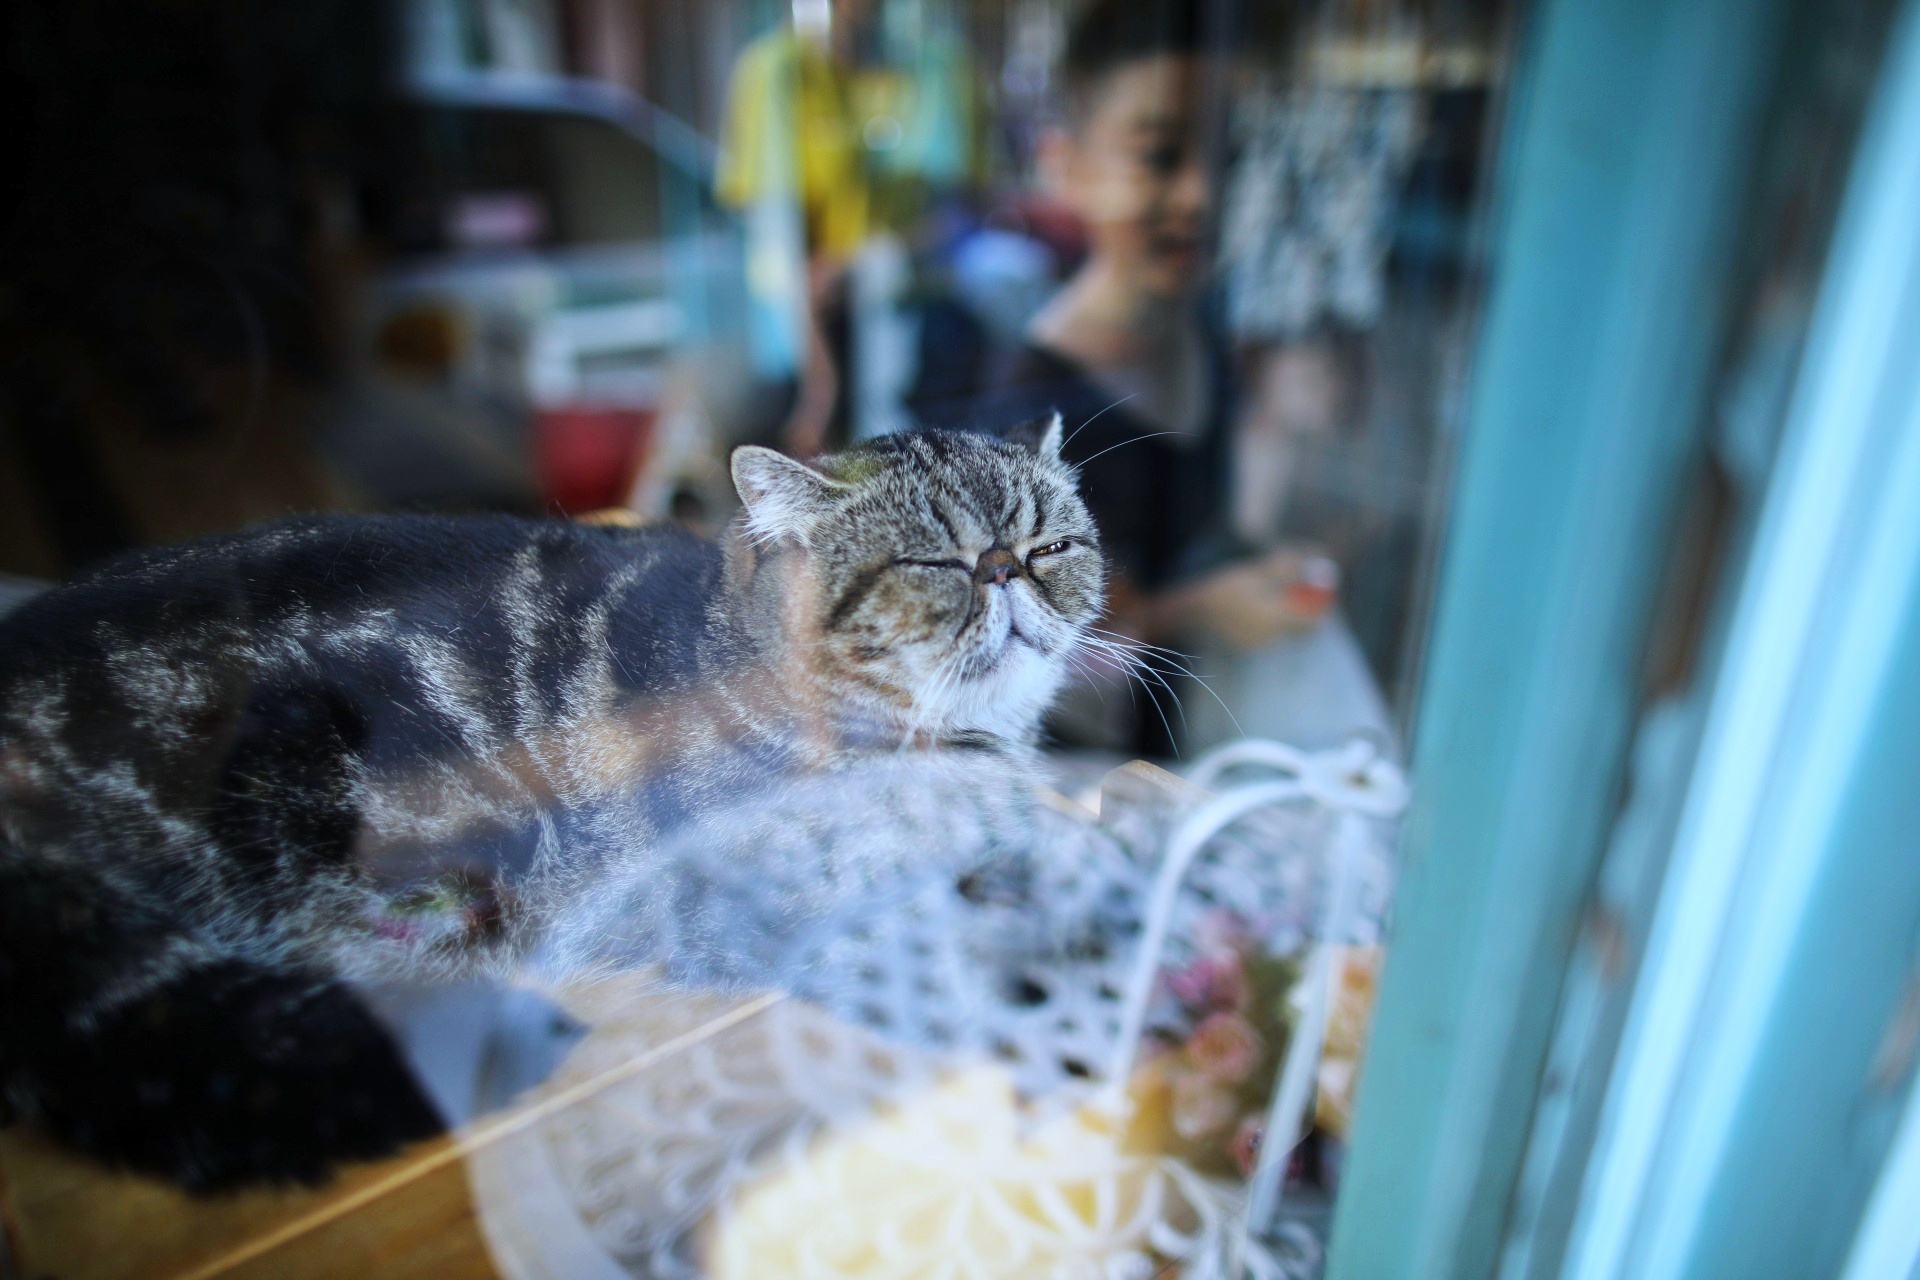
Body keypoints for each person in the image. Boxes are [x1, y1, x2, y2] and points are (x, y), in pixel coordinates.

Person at [964, 0, 1335, 754]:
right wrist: (1200, 610)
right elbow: (1000, 646)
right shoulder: (1035, 397)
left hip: (1176, 749)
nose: (1202, 196)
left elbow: (1208, 529)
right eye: (1160, 156)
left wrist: (1275, 430)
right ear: (1066, 167)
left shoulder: (1198, 335)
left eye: (1225, 158)